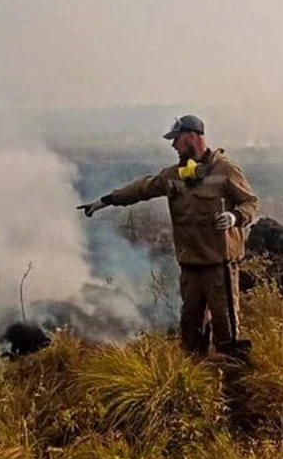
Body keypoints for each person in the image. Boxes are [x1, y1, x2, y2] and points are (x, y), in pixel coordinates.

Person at [78, 114, 259, 357]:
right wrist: (105, 201)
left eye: (177, 139)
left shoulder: (225, 169)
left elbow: (250, 202)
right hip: (191, 266)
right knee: (191, 330)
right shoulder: (175, 175)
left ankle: (234, 381)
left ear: (192, 137)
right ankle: (196, 380)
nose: (173, 146)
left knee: (226, 329)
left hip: (220, 266)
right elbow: (143, 188)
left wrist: (236, 217)